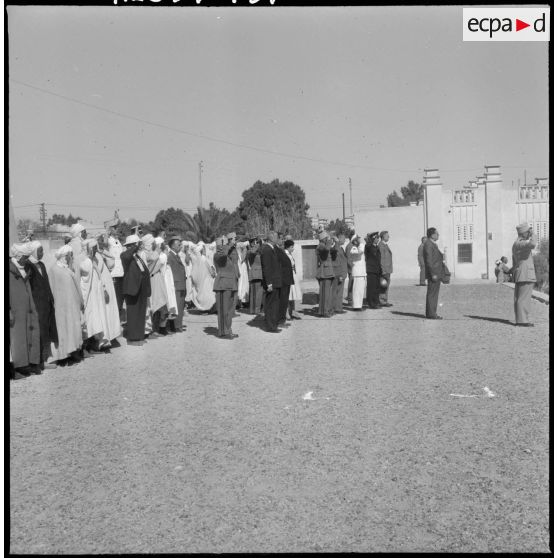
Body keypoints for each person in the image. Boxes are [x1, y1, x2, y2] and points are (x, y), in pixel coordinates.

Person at [9, 242, 41, 378]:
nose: (26, 260)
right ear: (18, 257)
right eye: (24, 257)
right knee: (17, 339)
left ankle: (29, 363)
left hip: (27, 309)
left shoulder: (24, 269)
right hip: (15, 311)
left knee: (29, 335)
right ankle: (18, 366)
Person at [25, 241, 59, 370]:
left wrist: (51, 298)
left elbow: (46, 283)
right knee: (41, 329)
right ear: (33, 251)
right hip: (37, 303)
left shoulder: (41, 265)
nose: (42, 253)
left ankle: (48, 356)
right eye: (40, 250)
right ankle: (41, 360)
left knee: (48, 328)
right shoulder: (29, 266)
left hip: (46, 303)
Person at [49, 245, 84, 366]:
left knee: (73, 328)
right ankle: (64, 355)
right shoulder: (54, 270)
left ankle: (73, 351)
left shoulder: (67, 269)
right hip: (61, 307)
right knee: (63, 330)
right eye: (70, 255)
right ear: (65, 256)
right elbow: (53, 289)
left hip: (72, 306)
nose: (72, 257)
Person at [80, 239, 111, 352]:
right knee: (90, 320)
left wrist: (103, 289)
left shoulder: (93, 261)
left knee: (97, 319)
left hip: (96, 296)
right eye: (93, 248)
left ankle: (97, 343)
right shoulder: (85, 262)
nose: (95, 251)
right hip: (89, 296)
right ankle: (87, 347)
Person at [121, 234, 151, 344]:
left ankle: (139, 336)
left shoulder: (137, 256)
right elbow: (125, 256)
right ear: (132, 245)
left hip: (141, 289)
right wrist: (135, 246)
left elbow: (144, 271)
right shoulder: (125, 255)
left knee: (140, 313)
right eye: (137, 244)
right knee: (133, 314)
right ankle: (132, 338)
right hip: (132, 289)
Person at [95, 235, 122, 343]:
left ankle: (111, 335)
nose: (102, 242)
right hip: (102, 288)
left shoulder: (102, 254)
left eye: (103, 241)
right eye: (100, 241)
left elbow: (111, 261)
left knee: (110, 311)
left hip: (108, 285)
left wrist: (103, 251)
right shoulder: (95, 256)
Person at [212, 235, 239, 339]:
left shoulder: (227, 255)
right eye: (224, 244)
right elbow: (222, 257)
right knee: (223, 310)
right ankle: (223, 332)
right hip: (222, 285)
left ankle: (228, 329)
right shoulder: (217, 255)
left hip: (230, 284)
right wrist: (227, 246)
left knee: (229, 309)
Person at [511, 223, 538, 327]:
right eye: (528, 231)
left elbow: (514, 261)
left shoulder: (515, 244)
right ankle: (522, 321)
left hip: (520, 273)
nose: (529, 233)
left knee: (520, 298)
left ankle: (520, 319)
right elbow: (532, 244)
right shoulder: (521, 244)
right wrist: (533, 234)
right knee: (524, 298)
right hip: (526, 273)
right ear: (525, 233)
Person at [260, 231, 282, 332]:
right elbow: (267, 268)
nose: (278, 238)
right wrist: (269, 283)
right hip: (271, 282)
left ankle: (274, 324)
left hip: (276, 281)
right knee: (271, 305)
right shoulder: (267, 250)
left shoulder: (271, 249)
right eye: (276, 237)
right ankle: (270, 326)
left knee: (275, 304)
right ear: (271, 238)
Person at [189, 241, 217, 312]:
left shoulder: (195, 259)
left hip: (201, 281)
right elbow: (211, 270)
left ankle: (204, 309)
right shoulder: (203, 259)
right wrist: (213, 274)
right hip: (206, 280)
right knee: (207, 295)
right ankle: (207, 309)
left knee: (202, 294)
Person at [423, 227, 444, 319]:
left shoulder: (432, 244)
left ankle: (432, 313)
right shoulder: (428, 244)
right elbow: (429, 261)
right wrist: (433, 274)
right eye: (437, 233)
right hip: (434, 273)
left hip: (436, 272)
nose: (438, 235)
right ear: (432, 235)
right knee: (432, 294)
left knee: (434, 294)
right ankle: (431, 314)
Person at [150, 237, 170, 335]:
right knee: (157, 304)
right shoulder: (158, 256)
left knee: (162, 304)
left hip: (160, 279)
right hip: (155, 280)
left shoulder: (161, 255)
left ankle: (161, 327)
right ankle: (156, 328)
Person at [167, 236, 187, 332]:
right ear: (173, 246)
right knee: (177, 306)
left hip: (181, 284)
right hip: (177, 285)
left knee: (180, 306)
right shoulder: (170, 256)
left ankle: (178, 324)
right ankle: (176, 326)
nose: (180, 246)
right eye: (179, 245)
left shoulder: (176, 255)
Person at [315, 231, 336, 317]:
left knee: (327, 293)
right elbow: (327, 250)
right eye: (326, 237)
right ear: (323, 238)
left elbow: (333, 251)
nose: (328, 239)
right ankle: (325, 311)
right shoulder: (321, 246)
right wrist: (330, 240)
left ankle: (324, 310)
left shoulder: (324, 245)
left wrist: (335, 242)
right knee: (325, 293)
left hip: (327, 271)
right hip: (324, 272)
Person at [107, 226, 126, 323]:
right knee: (116, 298)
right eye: (114, 228)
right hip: (114, 274)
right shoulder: (108, 241)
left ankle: (118, 318)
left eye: (117, 228)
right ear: (110, 231)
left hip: (121, 273)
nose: (117, 230)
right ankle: (114, 320)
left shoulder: (118, 241)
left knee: (121, 297)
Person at [277, 236, 295, 324]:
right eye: (280, 238)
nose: (282, 241)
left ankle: (283, 317)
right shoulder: (281, 252)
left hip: (287, 278)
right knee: (283, 299)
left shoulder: (282, 251)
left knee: (286, 298)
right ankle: (282, 317)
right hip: (283, 279)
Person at [284, 239, 302, 319]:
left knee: (293, 295)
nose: (293, 248)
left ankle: (292, 311)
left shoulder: (290, 254)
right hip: (288, 276)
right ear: (287, 247)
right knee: (289, 295)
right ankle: (286, 312)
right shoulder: (285, 254)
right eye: (291, 247)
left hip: (293, 276)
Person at [364, 232, 382, 309]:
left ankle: (376, 301)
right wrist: (369, 240)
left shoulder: (377, 247)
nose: (378, 239)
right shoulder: (369, 246)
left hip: (377, 269)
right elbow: (368, 247)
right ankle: (371, 303)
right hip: (371, 270)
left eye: (378, 238)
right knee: (371, 287)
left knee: (377, 287)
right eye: (376, 238)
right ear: (373, 239)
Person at [348, 235, 366, 310]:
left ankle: (359, 305)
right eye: (358, 239)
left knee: (360, 290)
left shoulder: (358, 247)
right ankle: (356, 306)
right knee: (356, 290)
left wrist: (360, 244)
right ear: (355, 241)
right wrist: (361, 244)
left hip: (361, 272)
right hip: (357, 272)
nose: (360, 240)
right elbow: (360, 252)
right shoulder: (354, 248)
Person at [247, 237, 264, 315]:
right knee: (256, 293)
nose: (256, 244)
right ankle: (255, 310)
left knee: (258, 293)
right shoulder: (251, 251)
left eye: (257, 243)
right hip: (255, 274)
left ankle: (255, 309)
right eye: (254, 242)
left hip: (259, 274)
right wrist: (256, 245)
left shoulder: (258, 252)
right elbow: (252, 252)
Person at [332, 233, 348, 313]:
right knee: (337, 292)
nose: (345, 240)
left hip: (342, 274)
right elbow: (338, 263)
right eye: (344, 238)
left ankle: (338, 307)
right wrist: (341, 275)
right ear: (339, 239)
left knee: (339, 292)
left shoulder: (341, 248)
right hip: (339, 274)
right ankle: (337, 308)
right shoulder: (337, 248)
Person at [378, 231, 393, 307]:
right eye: (387, 235)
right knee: (383, 285)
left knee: (385, 286)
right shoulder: (381, 245)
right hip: (384, 270)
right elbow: (381, 259)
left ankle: (384, 300)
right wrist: (383, 270)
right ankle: (382, 301)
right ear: (383, 236)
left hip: (387, 269)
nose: (388, 237)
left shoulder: (385, 245)